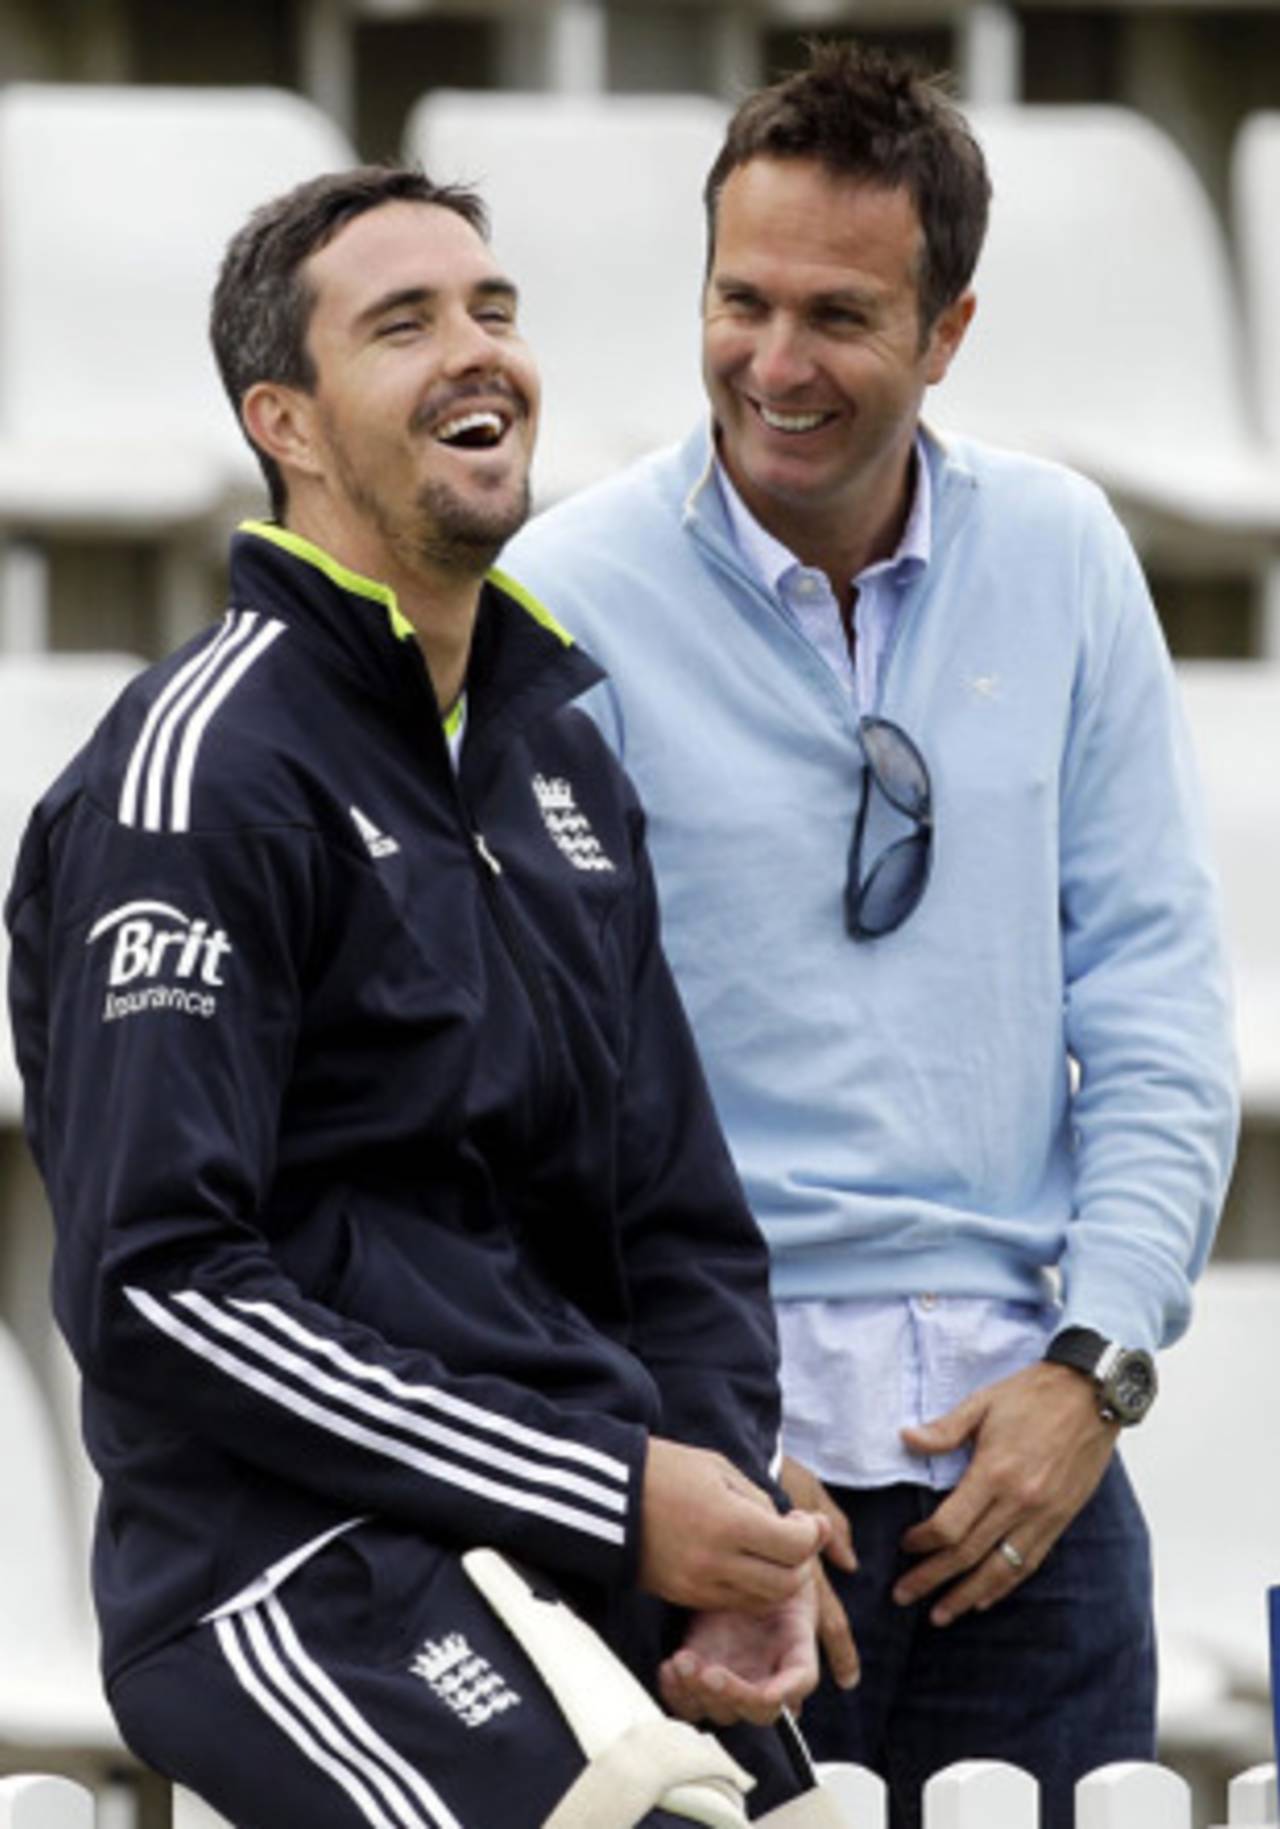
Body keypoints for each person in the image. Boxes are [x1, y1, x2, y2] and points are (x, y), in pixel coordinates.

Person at [4, 165, 848, 1829]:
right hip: (288, 1573)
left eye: (495, 311)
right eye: (404, 325)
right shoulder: (202, 776)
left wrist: (723, 1515)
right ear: (289, 422)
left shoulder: (564, 768)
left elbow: (671, 1225)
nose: (478, 351)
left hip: (556, 1535)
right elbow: (161, 1289)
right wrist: (617, 1491)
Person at [503, 42, 1240, 1829]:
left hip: (1032, 1477)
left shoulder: (1066, 555)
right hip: (716, 1478)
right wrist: (675, 1442)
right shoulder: (564, 594)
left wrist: (1098, 1371)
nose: (774, 363)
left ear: (948, 330)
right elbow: (539, 1087)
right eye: (738, 300)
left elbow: (1155, 1005)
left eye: (838, 313)